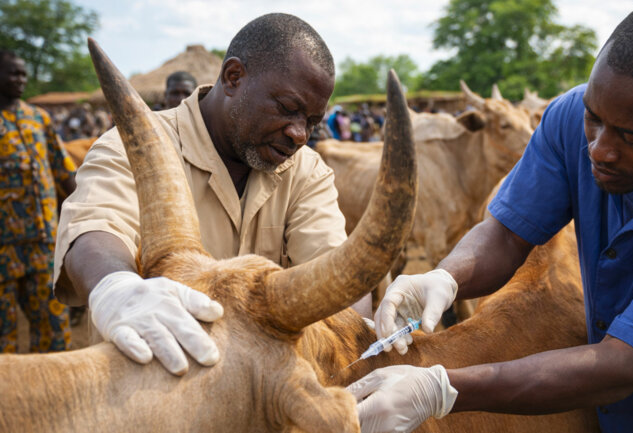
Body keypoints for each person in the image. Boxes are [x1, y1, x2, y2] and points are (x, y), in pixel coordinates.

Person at [349, 2, 633, 432]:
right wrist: (445, 278)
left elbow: (623, 365)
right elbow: (509, 234)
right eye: (595, 119)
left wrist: (439, 390)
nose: (600, 149)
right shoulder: (570, 117)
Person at [54, 13, 371, 376]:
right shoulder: (133, 146)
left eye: (312, 122)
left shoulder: (307, 171)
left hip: (262, 397)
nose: (300, 133)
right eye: (287, 108)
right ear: (233, 77)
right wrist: (116, 287)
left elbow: (334, 269)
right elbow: (96, 226)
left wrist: (356, 344)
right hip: (151, 385)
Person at [0, 50, 77, 353]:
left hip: (43, 243)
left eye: (23, 74)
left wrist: (87, 206)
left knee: (53, 329)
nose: (21, 79)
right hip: (3, 249)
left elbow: (63, 169)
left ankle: (54, 397)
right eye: (13, 73)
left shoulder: (38, 118)